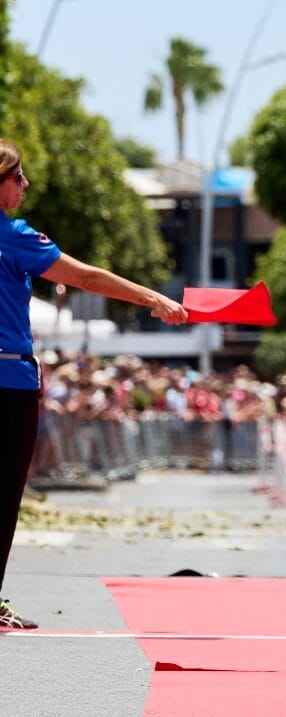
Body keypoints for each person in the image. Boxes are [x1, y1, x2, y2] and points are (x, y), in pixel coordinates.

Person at [0, 139, 187, 629]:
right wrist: (153, 298)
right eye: (18, 177)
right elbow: (87, 278)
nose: (25, 185)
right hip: (9, 380)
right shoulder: (14, 236)